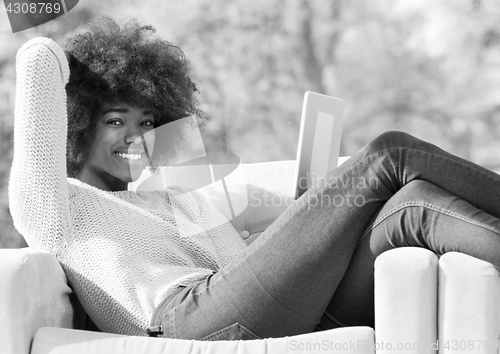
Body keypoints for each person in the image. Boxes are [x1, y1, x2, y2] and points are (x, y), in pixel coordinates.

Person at [9, 16, 500, 340]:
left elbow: (270, 244)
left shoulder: (173, 197)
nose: (135, 138)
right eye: (115, 120)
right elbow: (37, 68)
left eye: (148, 123)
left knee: (408, 206)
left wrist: (310, 206)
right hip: (190, 320)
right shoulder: (58, 206)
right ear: (76, 123)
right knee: (389, 154)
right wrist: (49, 39)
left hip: (253, 306)